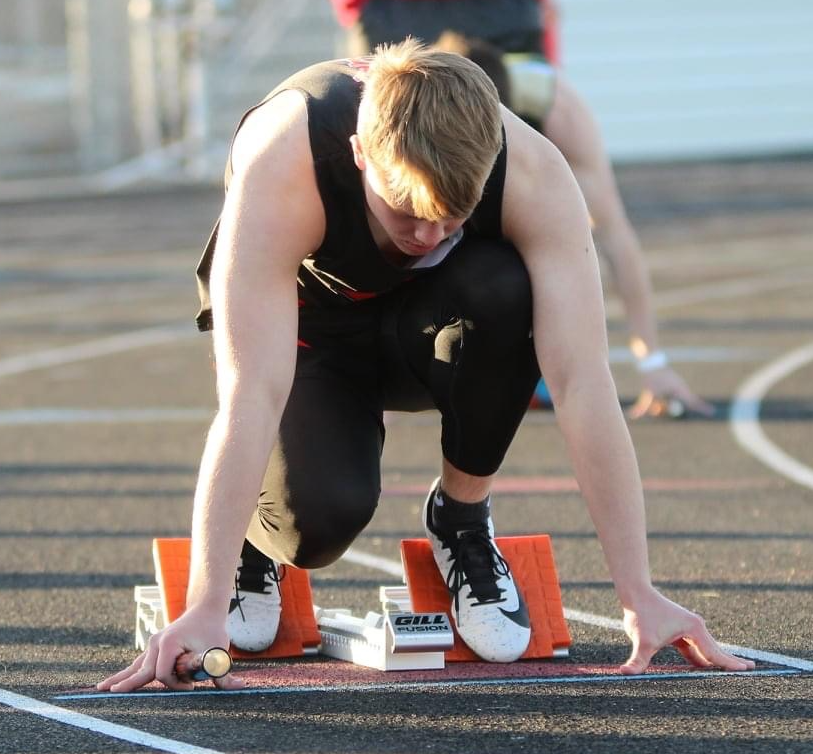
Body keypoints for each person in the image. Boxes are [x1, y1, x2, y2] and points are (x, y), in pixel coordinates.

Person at [97, 40, 752, 693]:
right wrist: (206, 603)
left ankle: (461, 518)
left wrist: (637, 591)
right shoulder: (286, 156)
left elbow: (582, 384)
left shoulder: (531, 170)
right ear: (360, 157)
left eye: (450, 219)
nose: (426, 238)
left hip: (428, 328)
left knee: (503, 287)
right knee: (317, 523)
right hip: (313, 331)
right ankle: (254, 540)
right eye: (406, 214)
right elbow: (250, 394)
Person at [315, 0, 714, 419]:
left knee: (532, 229)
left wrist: (654, 361)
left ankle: (513, 346)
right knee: (386, 206)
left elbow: (612, 232)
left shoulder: (556, 108)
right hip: (393, 10)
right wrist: (357, 4)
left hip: (502, 3)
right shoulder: (374, 106)